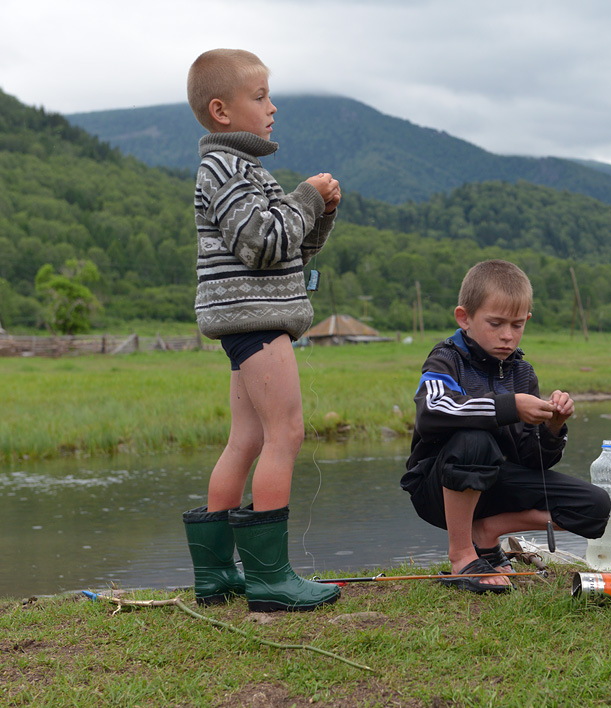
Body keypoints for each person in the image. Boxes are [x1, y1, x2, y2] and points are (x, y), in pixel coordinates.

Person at [180, 48, 341, 612]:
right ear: (222, 111)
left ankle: (219, 575)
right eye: (261, 97)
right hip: (257, 321)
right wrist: (305, 196)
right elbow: (263, 243)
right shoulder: (225, 167)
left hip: (247, 321)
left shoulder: (244, 169)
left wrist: (317, 212)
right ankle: (271, 579)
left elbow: (287, 248)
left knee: (246, 439)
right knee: (285, 434)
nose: (272, 107)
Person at [401, 260, 611, 593]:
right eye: (495, 323)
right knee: (474, 441)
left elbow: (532, 461)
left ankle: (487, 533)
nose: (507, 336)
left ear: (527, 321)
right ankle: (461, 555)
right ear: (464, 318)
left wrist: (553, 428)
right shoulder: (446, 359)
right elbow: (434, 410)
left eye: (517, 325)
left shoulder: (523, 374)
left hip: (495, 486)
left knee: (596, 507)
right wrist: (510, 407)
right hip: (437, 490)